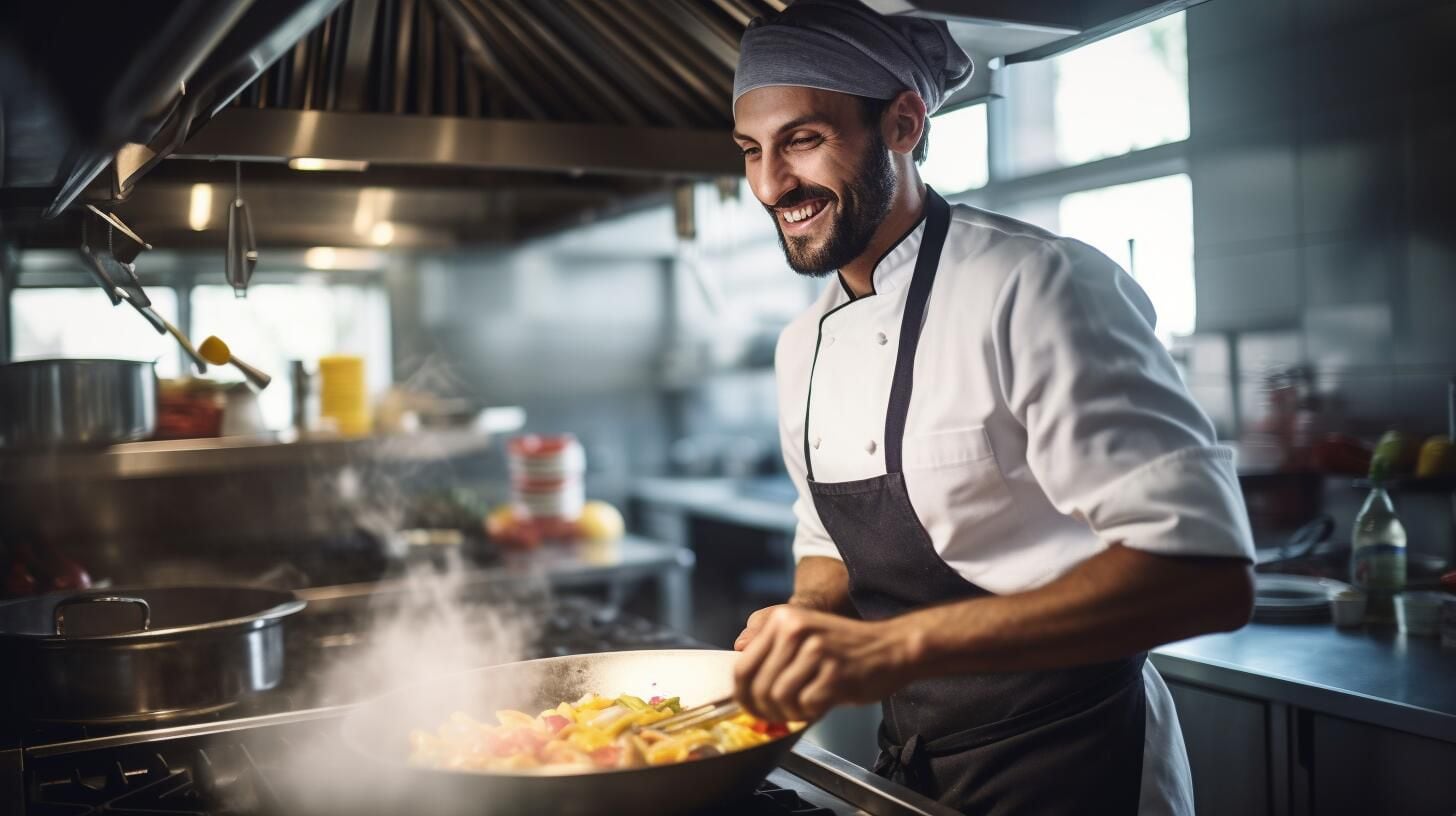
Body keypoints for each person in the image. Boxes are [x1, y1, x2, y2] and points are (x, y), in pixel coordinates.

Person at [727, 2, 1255, 813]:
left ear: (902, 123)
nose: (770, 185)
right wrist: (801, 624)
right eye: (752, 151)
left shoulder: (1040, 286)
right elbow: (829, 538)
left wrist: (890, 648)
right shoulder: (801, 344)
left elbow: (1206, 574)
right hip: (916, 768)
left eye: (802, 139)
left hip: (1080, 759)